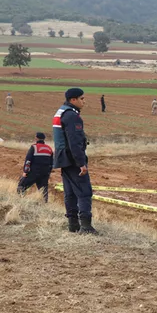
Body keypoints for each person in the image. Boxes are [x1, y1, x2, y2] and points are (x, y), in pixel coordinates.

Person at [53, 88, 96, 234]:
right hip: (72, 159)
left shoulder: (62, 111)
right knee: (84, 192)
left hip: (63, 158)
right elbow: (75, 142)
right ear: (73, 100)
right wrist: (81, 163)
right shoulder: (72, 116)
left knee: (70, 192)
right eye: (82, 98)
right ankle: (86, 226)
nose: (84, 101)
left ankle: (73, 224)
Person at [17, 132, 53, 202]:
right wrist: (48, 173)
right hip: (44, 173)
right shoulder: (49, 148)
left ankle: (21, 202)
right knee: (44, 192)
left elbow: (28, 161)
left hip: (33, 172)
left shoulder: (34, 147)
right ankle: (44, 205)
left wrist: (25, 171)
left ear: (36, 138)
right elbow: (51, 163)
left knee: (21, 186)